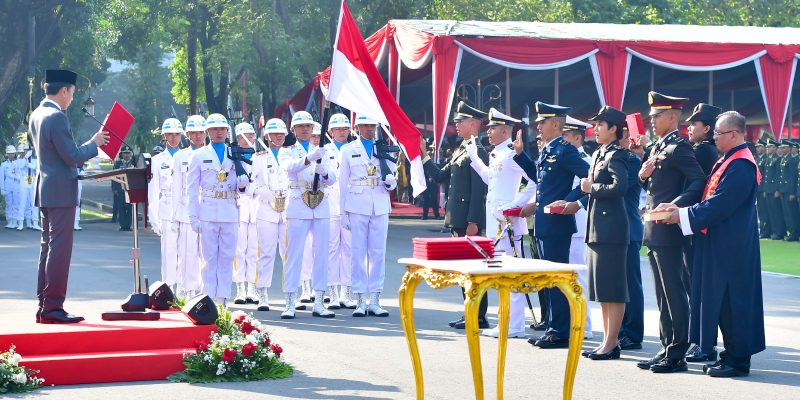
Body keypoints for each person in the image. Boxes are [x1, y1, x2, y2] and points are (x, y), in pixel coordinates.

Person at [654, 111, 765, 378]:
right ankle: (730, 354)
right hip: (720, 241)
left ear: (734, 135)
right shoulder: (728, 160)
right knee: (723, 301)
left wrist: (683, 215)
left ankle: (738, 360)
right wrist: (680, 208)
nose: (714, 137)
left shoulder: (741, 165)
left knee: (733, 301)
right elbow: (709, 199)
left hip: (732, 246)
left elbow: (720, 204)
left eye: (718, 133)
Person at [29, 69, 109, 323]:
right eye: (73, 93)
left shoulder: (37, 114)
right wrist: (94, 143)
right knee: (59, 251)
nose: (73, 98)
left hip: (47, 189)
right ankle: (53, 307)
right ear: (64, 90)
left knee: (48, 248)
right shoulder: (56, 117)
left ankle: (44, 304)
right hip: (61, 192)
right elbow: (72, 156)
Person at [637, 91, 706, 373]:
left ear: (672, 117)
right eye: (651, 117)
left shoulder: (679, 148)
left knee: (674, 292)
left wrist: (676, 205)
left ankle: (677, 353)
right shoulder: (658, 147)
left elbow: (698, 181)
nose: (652, 121)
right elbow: (652, 187)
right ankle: (666, 347)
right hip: (654, 229)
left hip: (669, 230)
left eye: (657, 116)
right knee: (662, 295)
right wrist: (642, 176)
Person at [512, 101, 590, 349]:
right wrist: (520, 155)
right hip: (545, 222)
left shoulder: (565, 150)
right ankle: (553, 327)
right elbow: (540, 179)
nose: (538, 126)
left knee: (556, 278)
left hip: (558, 223)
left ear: (556, 124)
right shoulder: (549, 149)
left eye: (542, 122)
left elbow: (590, 177)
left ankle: (560, 332)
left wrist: (570, 200)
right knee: (549, 278)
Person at [467, 108, 537, 338]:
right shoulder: (496, 153)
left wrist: (515, 204)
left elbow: (534, 181)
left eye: (493, 128)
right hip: (495, 221)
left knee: (511, 272)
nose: (489, 132)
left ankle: (514, 324)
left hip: (508, 222)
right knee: (499, 272)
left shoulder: (511, 154)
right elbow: (491, 179)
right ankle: (506, 321)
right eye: (489, 128)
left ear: (506, 131)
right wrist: (475, 158)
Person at [421, 101, 490, 330]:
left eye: (461, 122)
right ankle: (471, 312)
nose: (456, 125)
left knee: (473, 269)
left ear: (473, 124)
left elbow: (479, 190)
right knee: (464, 269)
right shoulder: (462, 148)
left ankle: (478, 315)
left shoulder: (477, 151)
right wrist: (423, 155)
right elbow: (441, 176)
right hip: (458, 219)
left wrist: (473, 221)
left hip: (467, 220)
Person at [579, 106, 630, 360]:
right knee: (602, 290)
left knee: (613, 288)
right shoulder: (600, 152)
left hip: (611, 230)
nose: (596, 129)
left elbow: (620, 187)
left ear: (613, 129)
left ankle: (611, 343)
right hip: (598, 229)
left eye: (600, 125)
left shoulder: (617, 155)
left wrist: (592, 187)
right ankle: (606, 341)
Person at [187, 113, 249, 307]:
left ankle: (222, 298)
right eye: (214, 129)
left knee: (227, 256)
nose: (219, 132)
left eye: (222, 129)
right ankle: (209, 297)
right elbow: (191, 189)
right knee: (209, 257)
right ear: (207, 132)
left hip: (230, 209)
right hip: (208, 210)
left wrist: (243, 184)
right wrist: (193, 216)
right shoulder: (199, 155)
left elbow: (245, 185)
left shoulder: (235, 153)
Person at [338, 114, 398, 318]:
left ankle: (375, 299)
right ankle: (360, 300)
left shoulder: (383, 148)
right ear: (357, 127)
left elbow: (391, 176)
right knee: (357, 252)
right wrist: (343, 213)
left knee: (378, 252)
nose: (369, 129)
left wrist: (391, 182)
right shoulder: (348, 150)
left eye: (372, 125)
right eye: (364, 125)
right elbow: (343, 183)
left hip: (379, 202)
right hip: (357, 203)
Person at [278, 111, 336, 319]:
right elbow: (289, 168)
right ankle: (290, 302)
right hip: (298, 202)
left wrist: (324, 172)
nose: (304, 129)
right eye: (300, 126)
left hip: (320, 203)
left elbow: (332, 179)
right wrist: (309, 159)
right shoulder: (286, 151)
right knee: (294, 254)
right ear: (293, 129)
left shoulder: (321, 150)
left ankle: (319, 301)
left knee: (321, 254)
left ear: (313, 129)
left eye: (308, 126)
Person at [250, 118, 290, 311]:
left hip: (287, 209)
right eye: (275, 133)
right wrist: (262, 191)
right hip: (267, 209)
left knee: (288, 253)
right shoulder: (259, 158)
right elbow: (249, 183)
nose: (279, 136)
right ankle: (262, 293)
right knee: (265, 253)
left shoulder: (290, 155)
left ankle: (290, 293)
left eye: (282, 133)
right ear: (267, 136)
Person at [561, 115, 595, 339]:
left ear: (577, 138)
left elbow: (587, 192)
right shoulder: (564, 157)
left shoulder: (586, 161)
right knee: (565, 276)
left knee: (578, 275)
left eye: (566, 135)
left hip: (578, 224)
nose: (562, 139)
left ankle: (584, 324)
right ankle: (570, 322)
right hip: (564, 221)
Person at [170, 115, 206, 299]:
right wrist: (174, 216)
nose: (197, 136)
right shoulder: (180, 156)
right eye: (193, 132)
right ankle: (188, 289)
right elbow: (176, 188)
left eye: (200, 132)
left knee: (207, 254)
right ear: (188, 134)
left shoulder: (211, 154)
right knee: (188, 253)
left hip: (208, 209)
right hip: (186, 211)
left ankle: (206, 291)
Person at [323, 113, 356, 309]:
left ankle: (346, 293)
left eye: (345, 128)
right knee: (332, 249)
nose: (342, 132)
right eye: (338, 129)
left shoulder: (354, 149)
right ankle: (333, 293)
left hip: (350, 204)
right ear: (330, 131)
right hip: (330, 204)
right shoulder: (324, 151)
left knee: (349, 249)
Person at [148, 118, 184, 293]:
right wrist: (153, 216)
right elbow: (153, 190)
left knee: (186, 252)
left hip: (184, 207)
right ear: (164, 136)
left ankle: (184, 289)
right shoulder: (157, 160)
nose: (173, 138)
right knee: (169, 252)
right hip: (167, 206)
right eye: (170, 134)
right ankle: (169, 288)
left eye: (177, 134)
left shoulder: (188, 156)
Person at [617, 127, 645, 351]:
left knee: (630, 284)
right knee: (617, 284)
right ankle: (620, 330)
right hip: (613, 230)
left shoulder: (632, 161)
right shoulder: (610, 157)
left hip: (628, 229)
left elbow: (618, 188)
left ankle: (633, 333)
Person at [233, 122, 259, 304]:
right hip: (240, 207)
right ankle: (240, 287)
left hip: (257, 207)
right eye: (243, 136)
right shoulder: (232, 157)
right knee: (239, 250)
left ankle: (253, 288)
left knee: (254, 250)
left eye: (250, 135)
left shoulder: (260, 157)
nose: (247, 139)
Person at [686, 103, 722, 176]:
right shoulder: (711, 147)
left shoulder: (701, 150)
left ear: (706, 129)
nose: (688, 128)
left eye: (693, 124)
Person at [17, 144, 41, 231]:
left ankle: (35, 223)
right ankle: (20, 223)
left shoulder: (35, 160)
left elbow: (35, 167)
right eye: (25, 150)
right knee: (22, 203)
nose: (26, 151)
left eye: (28, 150)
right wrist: (26, 158)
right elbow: (21, 166)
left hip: (32, 181)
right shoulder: (20, 160)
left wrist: (29, 163)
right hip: (24, 182)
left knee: (34, 203)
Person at [778, 140, 799, 241]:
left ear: (790, 148)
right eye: (781, 148)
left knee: (791, 213)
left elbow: (792, 177)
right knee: (786, 213)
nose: (782, 149)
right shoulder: (784, 159)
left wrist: (792, 192)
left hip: (789, 190)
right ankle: (790, 232)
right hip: (783, 189)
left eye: (784, 148)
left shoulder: (792, 160)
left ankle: (794, 233)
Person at [763, 140, 784, 240]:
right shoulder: (769, 159)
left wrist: (777, 190)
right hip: (768, 189)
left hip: (774, 190)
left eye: (770, 146)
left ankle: (779, 232)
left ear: (775, 148)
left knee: (776, 212)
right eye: (767, 147)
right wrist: (765, 189)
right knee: (770, 212)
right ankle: (774, 231)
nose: (768, 148)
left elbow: (778, 176)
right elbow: (766, 176)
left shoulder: (778, 159)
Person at [114, 147, 135, 231]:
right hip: (120, 188)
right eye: (125, 153)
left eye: (128, 153)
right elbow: (113, 176)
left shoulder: (134, 163)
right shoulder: (117, 164)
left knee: (130, 208)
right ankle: (122, 225)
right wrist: (114, 188)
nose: (126, 155)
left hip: (130, 189)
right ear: (122, 154)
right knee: (121, 207)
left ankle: (128, 225)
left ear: (131, 154)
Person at [755, 141, 771, 238]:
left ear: (764, 148)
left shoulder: (766, 159)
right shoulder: (759, 159)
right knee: (761, 211)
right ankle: (763, 230)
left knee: (765, 211)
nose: (758, 148)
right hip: (759, 189)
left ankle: (766, 231)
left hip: (764, 189)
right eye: (757, 147)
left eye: (760, 146)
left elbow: (766, 176)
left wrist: (765, 189)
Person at [2, 145, 19, 229]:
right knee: (9, 204)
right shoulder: (3, 165)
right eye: (9, 153)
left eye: (12, 153)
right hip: (7, 187)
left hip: (16, 186)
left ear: (15, 154)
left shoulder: (18, 163)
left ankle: (15, 221)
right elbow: (1, 178)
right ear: (7, 154)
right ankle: (9, 221)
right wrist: (2, 189)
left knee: (16, 204)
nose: (11, 155)